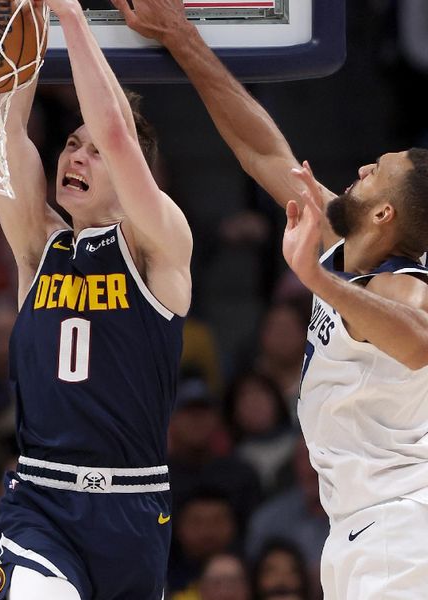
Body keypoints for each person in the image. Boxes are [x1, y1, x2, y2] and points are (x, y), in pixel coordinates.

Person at [112, 0, 428, 597]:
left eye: (376, 170)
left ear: (385, 214)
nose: (363, 166)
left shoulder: (400, 282)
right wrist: (181, 38)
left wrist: (316, 278)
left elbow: (420, 341)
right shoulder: (342, 243)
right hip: (366, 529)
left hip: (402, 526)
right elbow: (260, 149)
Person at [0, 0, 193, 596]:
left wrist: (70, 14)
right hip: (41, 502)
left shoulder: (159, 247)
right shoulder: (38, 245)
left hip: (131, 507)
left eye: (92, 151)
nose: (76, 155)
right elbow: (3, 134)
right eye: (71, 144)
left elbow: (120, 137)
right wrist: (25, 23)